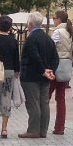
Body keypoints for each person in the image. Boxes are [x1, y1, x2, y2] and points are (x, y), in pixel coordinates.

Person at [19, 11, 58, 139]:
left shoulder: (31, 39)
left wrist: (42, 70)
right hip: (45, 77)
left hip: (31, 77)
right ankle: (43, 130)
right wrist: (50, 70)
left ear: (30, 24)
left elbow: (34, 57)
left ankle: (33, 130)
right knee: (44, 103)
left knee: (33, 102)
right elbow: (55, 57)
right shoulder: (48, 38)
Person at [49, 10, 73, 135]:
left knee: (46, 96)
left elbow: (50, 47)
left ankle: (42, 123)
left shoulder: (57, 32)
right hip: (66, 67)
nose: (53, 20)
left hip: (56, 66)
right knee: (61, 98)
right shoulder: (70, 32)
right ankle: (60, 127)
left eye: (54, 18)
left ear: (59, 19)